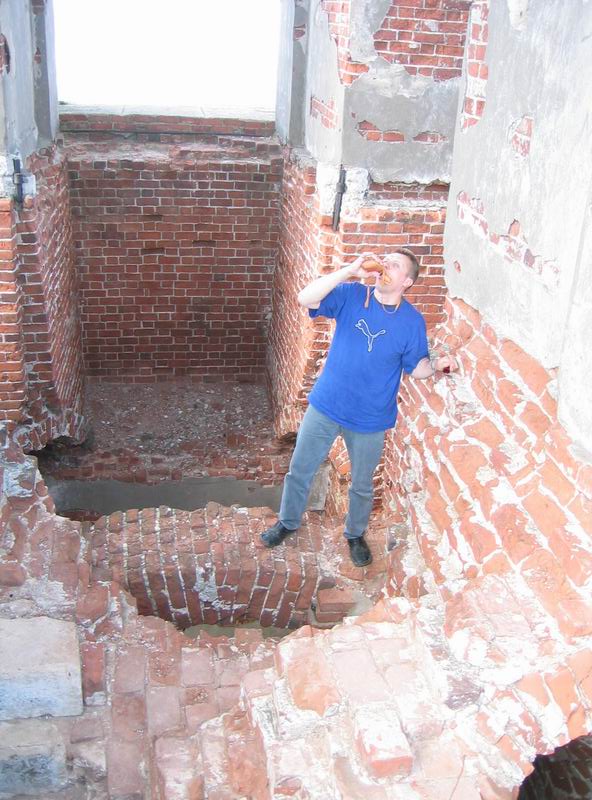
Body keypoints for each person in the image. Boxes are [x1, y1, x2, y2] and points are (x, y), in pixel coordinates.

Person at [261, 248, 459, 567]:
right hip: (326, 404)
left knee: (362, 485)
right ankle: (287, 522)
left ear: (406, 281)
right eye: (385, 260)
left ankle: (354, 534)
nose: (385, 265)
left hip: (370, 418)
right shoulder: (353, 295)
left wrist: (438, 365)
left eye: (395, 265)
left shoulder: (411, 322)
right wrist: (349, 270)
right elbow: (305, 298)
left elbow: (417, 367)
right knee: (300, 470)